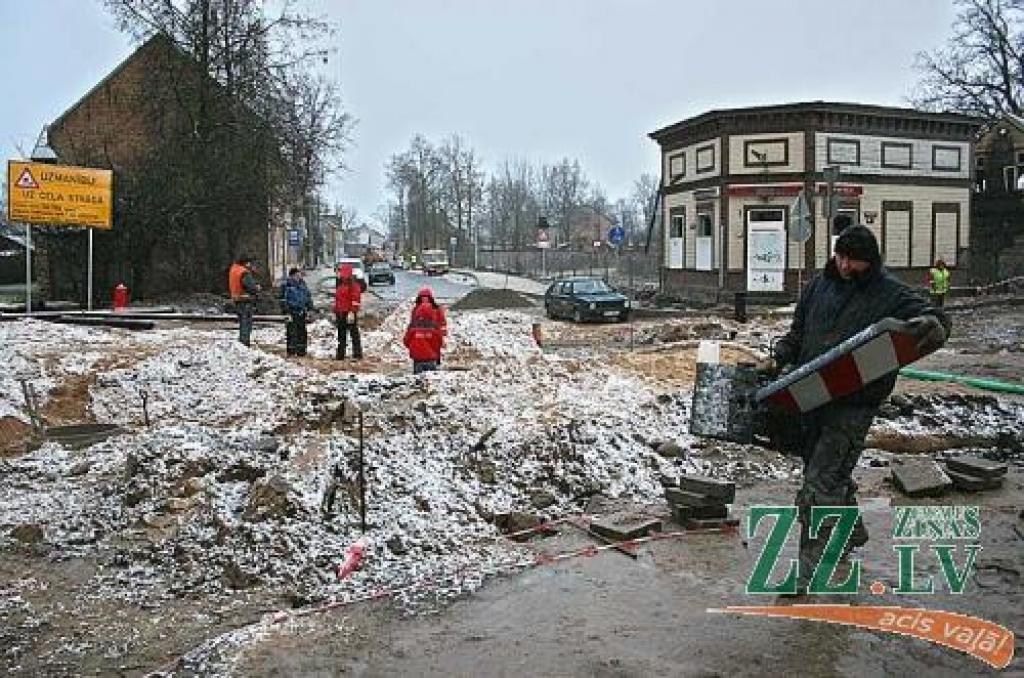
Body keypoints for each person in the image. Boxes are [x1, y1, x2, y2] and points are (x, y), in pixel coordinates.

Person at [771, 225, 950, 594]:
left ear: (870, 262)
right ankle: (853, 532)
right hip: (810, 396)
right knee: (827, 474)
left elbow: (933, 318)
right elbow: (796, 335)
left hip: (855, 403)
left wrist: (934, 325)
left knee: (820, 483)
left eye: (853, 260)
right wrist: (777, 357)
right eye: (841, 257)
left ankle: (806, 572)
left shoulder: (891, 293)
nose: (845, 265)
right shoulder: (817, 287)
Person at [403, 287, 447, 374]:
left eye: (426, 297)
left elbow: (406, 340)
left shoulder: (436, 310)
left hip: (422, 355)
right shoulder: (417, 312)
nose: (424, 299)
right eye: (423, 297)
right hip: (429, 353)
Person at [228, 257, 261, 346]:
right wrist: (256, 287)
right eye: (249, 263)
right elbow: (251, 287)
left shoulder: (234, 269)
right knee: (246, 323)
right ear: (246, 263)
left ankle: (242, 342)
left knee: (242, 321)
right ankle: (245, 342)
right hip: (245, 299)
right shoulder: (244, 272)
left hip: (237, 298)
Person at [281, 268, 314, 356]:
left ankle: (301, 351)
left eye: (299, 275)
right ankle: (291, 351)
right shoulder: (286, 285)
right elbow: (283, 300)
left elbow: (308, 296)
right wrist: (286, 312)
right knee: (291, 332)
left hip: (302, 311)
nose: (299, 276)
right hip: (292, 311)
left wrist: (310, 308)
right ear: (292, 275)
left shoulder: (302, 284)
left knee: (302, 331)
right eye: (297, 275)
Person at [334, 263, 363, 360]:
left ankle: (357, 353)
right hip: (341, 312)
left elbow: (355, 299)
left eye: (339, 271)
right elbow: (338, 299)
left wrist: (352, 312)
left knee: (353, 333)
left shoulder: (353, 285)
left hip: (349, 313)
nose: (337, 273)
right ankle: (340, 354)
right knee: (341, 334)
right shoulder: (340, 283)